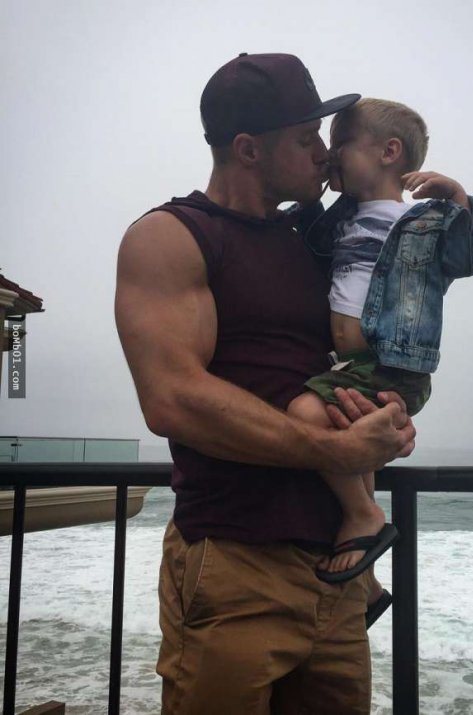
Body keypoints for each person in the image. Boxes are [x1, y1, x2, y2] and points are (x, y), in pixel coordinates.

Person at [114, 52, 416, 715]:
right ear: (249, 149)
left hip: (340, 573)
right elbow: (172, 398)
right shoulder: (173, 236)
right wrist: (337, 450)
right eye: (306, 139)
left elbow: (362, 344)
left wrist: (383, 413)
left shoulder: (316, 238)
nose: (322, 154)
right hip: (235, 562)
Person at [286, 100, 473, 600]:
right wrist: (320, 187)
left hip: (391, 363)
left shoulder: (422, 221)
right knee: (356, 450)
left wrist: (459, 199)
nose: (331, 154)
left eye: (342, 145)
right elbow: (303, 234)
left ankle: (363, 515)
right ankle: (368, 584)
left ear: (388, 152)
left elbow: (467, 259)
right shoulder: (345, 220)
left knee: (304, 413)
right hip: (352, 364)